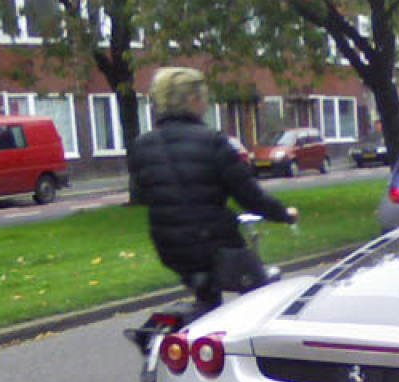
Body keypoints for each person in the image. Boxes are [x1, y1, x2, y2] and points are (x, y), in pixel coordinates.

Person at [127, 66, 297, 311]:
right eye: (205, 98)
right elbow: (249, 196)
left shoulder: (142, 146)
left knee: (207, 303)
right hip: (215, 246)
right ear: (193, 100)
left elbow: (145, 193)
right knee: (264, 295)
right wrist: (285, 214)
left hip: (170, 249)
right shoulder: (213, 142)